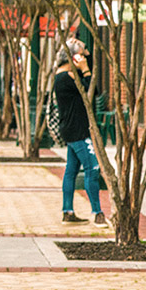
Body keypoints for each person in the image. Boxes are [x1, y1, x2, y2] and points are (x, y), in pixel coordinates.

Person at [55, 38, 107, 227]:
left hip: (72, 128)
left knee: (71, 171)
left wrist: (85, 65)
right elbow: (90, 91)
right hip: (77, 130)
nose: (86, 55)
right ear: (74, 56)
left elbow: (93, 88)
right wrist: (85, 69)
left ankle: (67, 211)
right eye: (83, 51)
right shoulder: (67, 78)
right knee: (92, 168)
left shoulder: (65, 75)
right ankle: (97, 212)